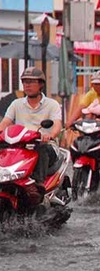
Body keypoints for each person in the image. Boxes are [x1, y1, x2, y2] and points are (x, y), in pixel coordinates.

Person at [0, 67, 62, 205]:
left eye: (31, 82)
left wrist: (50, 135)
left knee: (42, 148)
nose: (27, 85)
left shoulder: (52, 104)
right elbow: (5, 122)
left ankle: (38, 185)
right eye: (25, 82)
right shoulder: (16, 104)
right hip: (20, 145)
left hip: (44, 144)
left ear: (41, 84)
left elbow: (57, 125)